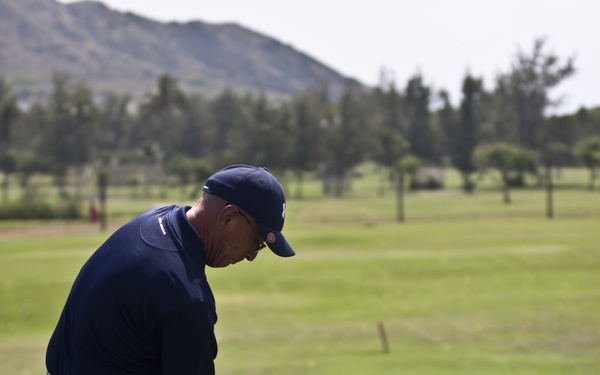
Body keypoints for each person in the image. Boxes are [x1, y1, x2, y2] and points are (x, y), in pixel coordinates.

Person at [46, 165, 295, 375]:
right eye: (256, 241)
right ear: (228, 217)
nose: (252, 255)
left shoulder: (153, 219)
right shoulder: (186, 298)